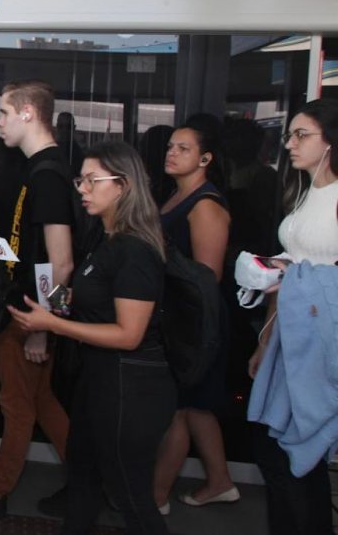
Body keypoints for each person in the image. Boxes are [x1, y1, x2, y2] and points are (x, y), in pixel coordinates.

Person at [8, 141, 174, 535]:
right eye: (80, 179)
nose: (80, 188)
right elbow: (85, 296)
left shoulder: (135, 250)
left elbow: (128, 334)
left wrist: (53, 325)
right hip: (99, 380)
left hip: (131, 388)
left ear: (122, 186)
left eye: (90, 180)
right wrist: (46, 306)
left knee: (131, 498)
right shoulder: (106, 239)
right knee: (82, 478)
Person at [0, 80, 71, 521]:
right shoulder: (39, 168)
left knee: (17, 404)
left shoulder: (47, 174)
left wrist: (41, 325)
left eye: (4, 113)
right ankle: (88, 480)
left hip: (29, 313)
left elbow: (61, 262)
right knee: (42, 400)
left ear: (29, 112)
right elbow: (34, 248)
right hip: (29, 305)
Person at [247, 99, 338, 535]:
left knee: (300, 454)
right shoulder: (305, 192)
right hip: (290, 335)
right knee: (276, 449)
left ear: (331, 142)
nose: (290, 143)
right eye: (290, 134)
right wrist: (266, 341)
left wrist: (291, 275)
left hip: (321, 342)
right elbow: (301, 264)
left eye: (302, 135)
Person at [153, 118, 238, 513]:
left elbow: (207, 278)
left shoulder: (205, 204)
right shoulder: (174, 194)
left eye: (183, 148)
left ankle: (155, 499)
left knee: (178, 408)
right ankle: (220, 481)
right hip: (177, 314)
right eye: (171, 146)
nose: (172, 153)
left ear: (205, 158)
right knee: (196, 407)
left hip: (194, 320)